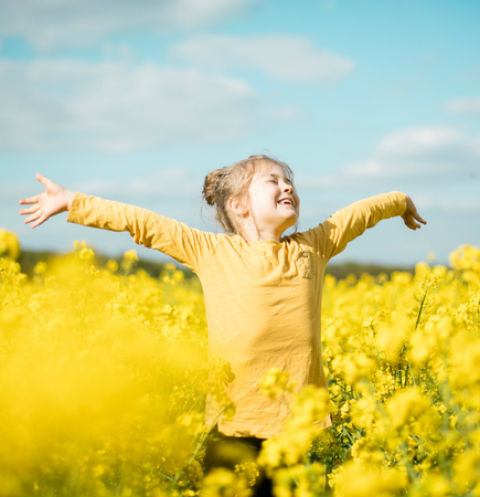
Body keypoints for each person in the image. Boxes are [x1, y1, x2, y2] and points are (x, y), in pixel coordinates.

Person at [18, 154, 426, 496]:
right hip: (232, 426)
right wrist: (74, 202)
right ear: (238, 205)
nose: (287, 187)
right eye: (273, 181)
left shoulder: (313, 246)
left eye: (290, 182)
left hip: (297, 424)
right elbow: (143, 223)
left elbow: (358, 215)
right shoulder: (211, 251)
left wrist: (399, 200)